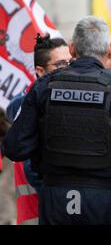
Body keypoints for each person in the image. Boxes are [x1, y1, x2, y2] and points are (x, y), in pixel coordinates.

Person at [2, 16, 111, 225]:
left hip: (55, 202)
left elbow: (14, 148)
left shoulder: (43, 87)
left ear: (71, 48)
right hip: (105, 203)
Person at [5, 35, 71, 225]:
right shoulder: (29, 107)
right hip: (40, 212)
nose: (68, 68)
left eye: (70, 62)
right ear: (40, 71)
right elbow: (32, 169)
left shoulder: (55, 97)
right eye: (60, 64)